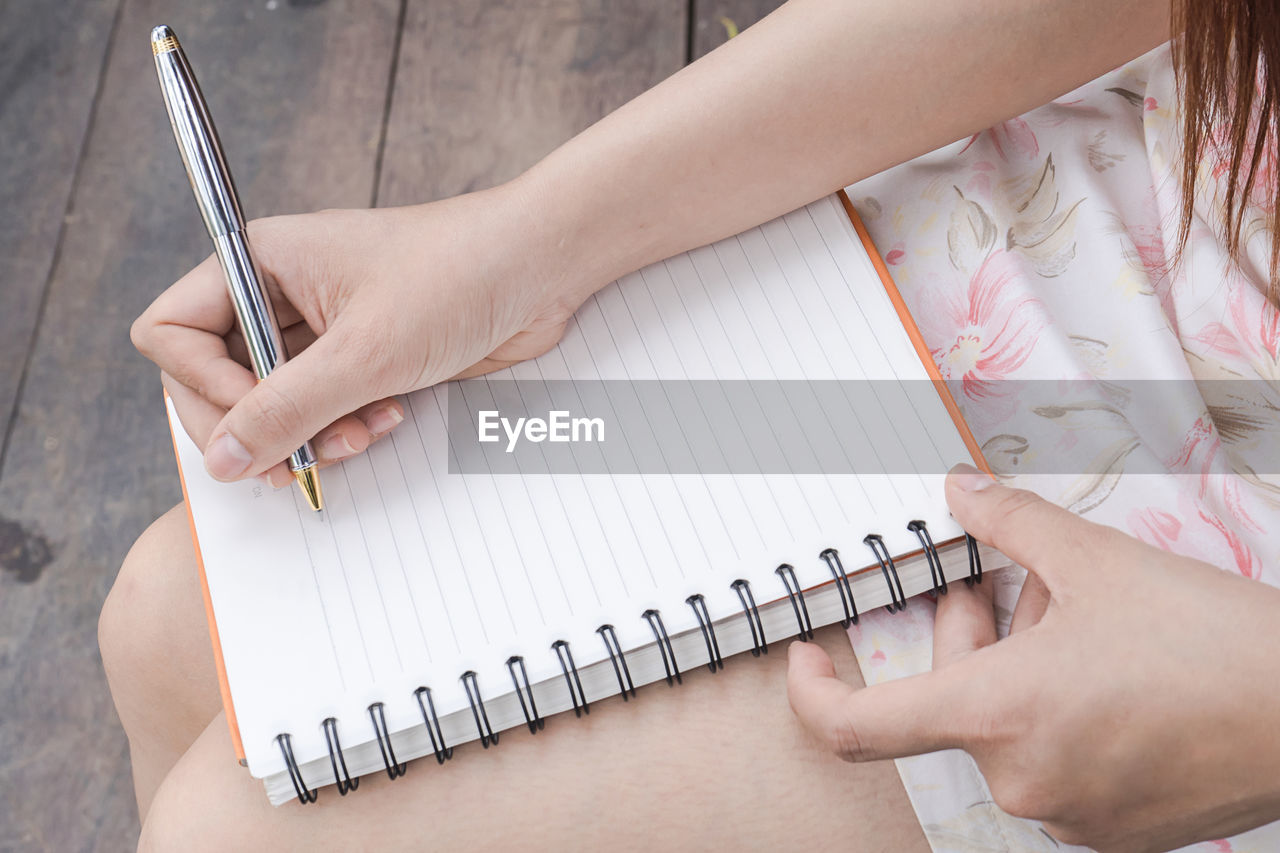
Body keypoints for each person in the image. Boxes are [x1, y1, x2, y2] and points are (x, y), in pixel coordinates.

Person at [101, 0, 1280, 849]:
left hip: (1227, 625)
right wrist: (517, 241)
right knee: (165, 616)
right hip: (1169, 200)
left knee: (230, 828)